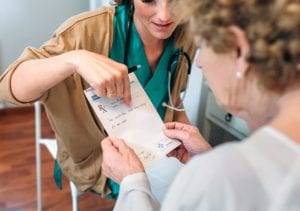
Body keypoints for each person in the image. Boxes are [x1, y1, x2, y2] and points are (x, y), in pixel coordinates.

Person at [101, 0, 300, 210]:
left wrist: (133, 184)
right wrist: (207, 157)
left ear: (240, 50)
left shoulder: (215, 180)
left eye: (202, 46)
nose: (199, 63)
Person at [0, 0, 195, 198]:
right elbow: (7, 86)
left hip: (160, 147)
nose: (164, 16)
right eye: (148, 0)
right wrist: (74, 59)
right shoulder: (85, 31)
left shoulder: (185, 34)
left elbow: (173, 97)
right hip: (96, 161)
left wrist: (190, 140)